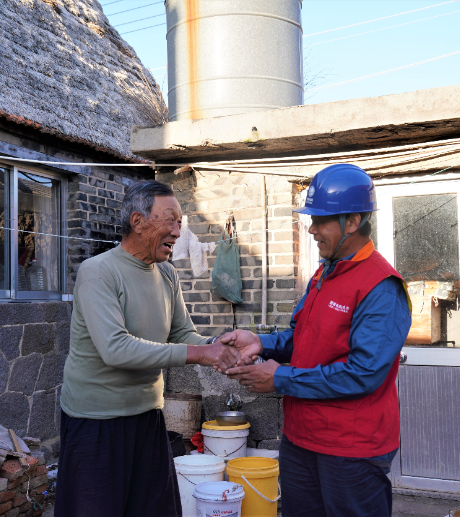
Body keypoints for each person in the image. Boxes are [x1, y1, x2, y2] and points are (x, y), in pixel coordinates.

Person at [223, 164, 412, 517]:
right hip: (301, 439)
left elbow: (363, 373)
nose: (311, 229)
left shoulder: (381, 286)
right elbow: (305, 337)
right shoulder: (326, 272)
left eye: (321, 220)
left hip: (351, 447)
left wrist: (280, 378)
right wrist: (261, 343)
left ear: (352, 222)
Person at [56, 180, 241, 517]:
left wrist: (218, 346)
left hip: (147, 415)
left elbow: (183, 334)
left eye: (180, 223)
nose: (177, 232)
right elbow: (116, 349)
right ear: (138, 222)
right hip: (96, 421)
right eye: (169, 221)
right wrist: (200, 354)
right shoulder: (98, 272)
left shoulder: (167, 275)